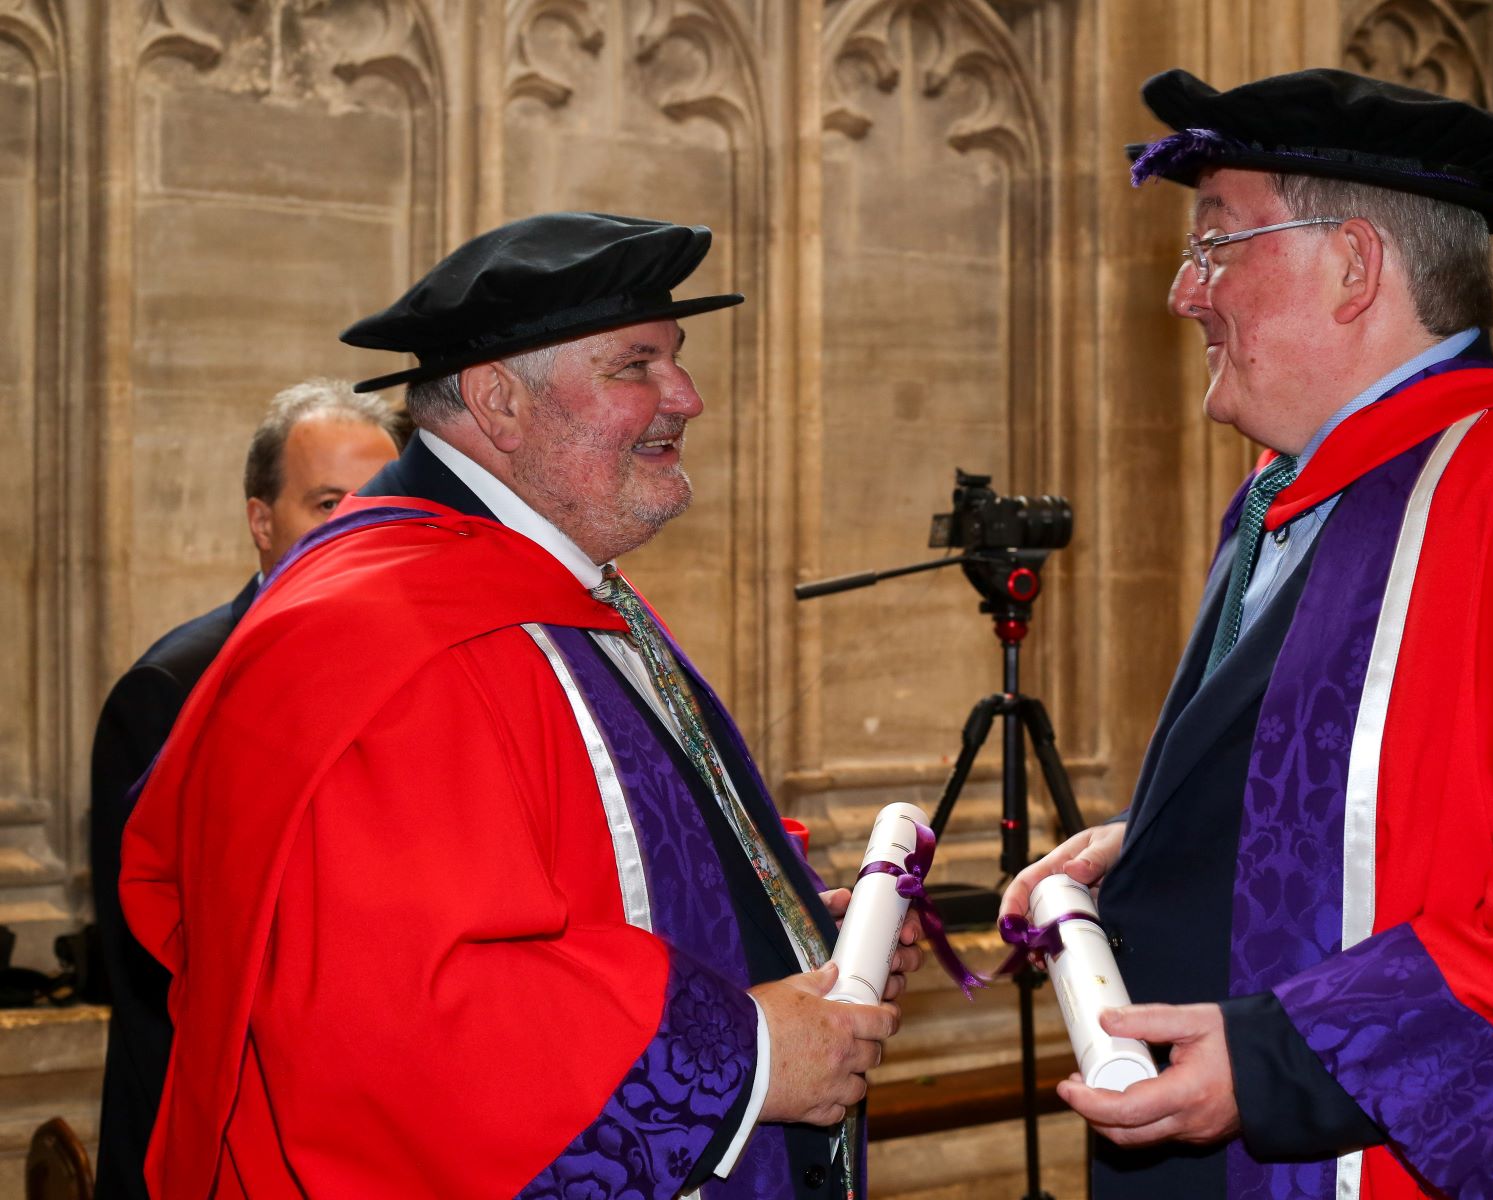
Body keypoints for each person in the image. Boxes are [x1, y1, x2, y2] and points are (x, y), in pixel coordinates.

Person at [1002, 68, 1493, 1199]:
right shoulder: (1293, 494)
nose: (1185, 292)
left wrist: (1292, 1056)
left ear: (1354, 266)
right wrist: (1178, 841)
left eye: (1216, 243)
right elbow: (1399, 783)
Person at [118, 212, 920, 1200]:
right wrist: (748, 1052)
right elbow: (398, 1027)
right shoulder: (383, 638)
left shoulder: (541, 584)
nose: (689, 397)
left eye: (678, 359)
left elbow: (605, 860)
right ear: (500, 399)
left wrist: (793, 925)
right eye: (637, 366)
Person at [90, 380, 402, 1200]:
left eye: (375, 502)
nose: (352, 527)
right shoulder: (172, 686)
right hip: (209, 1135)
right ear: (262, 522)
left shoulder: (410, 673)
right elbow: (157, 967)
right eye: (326, 501)